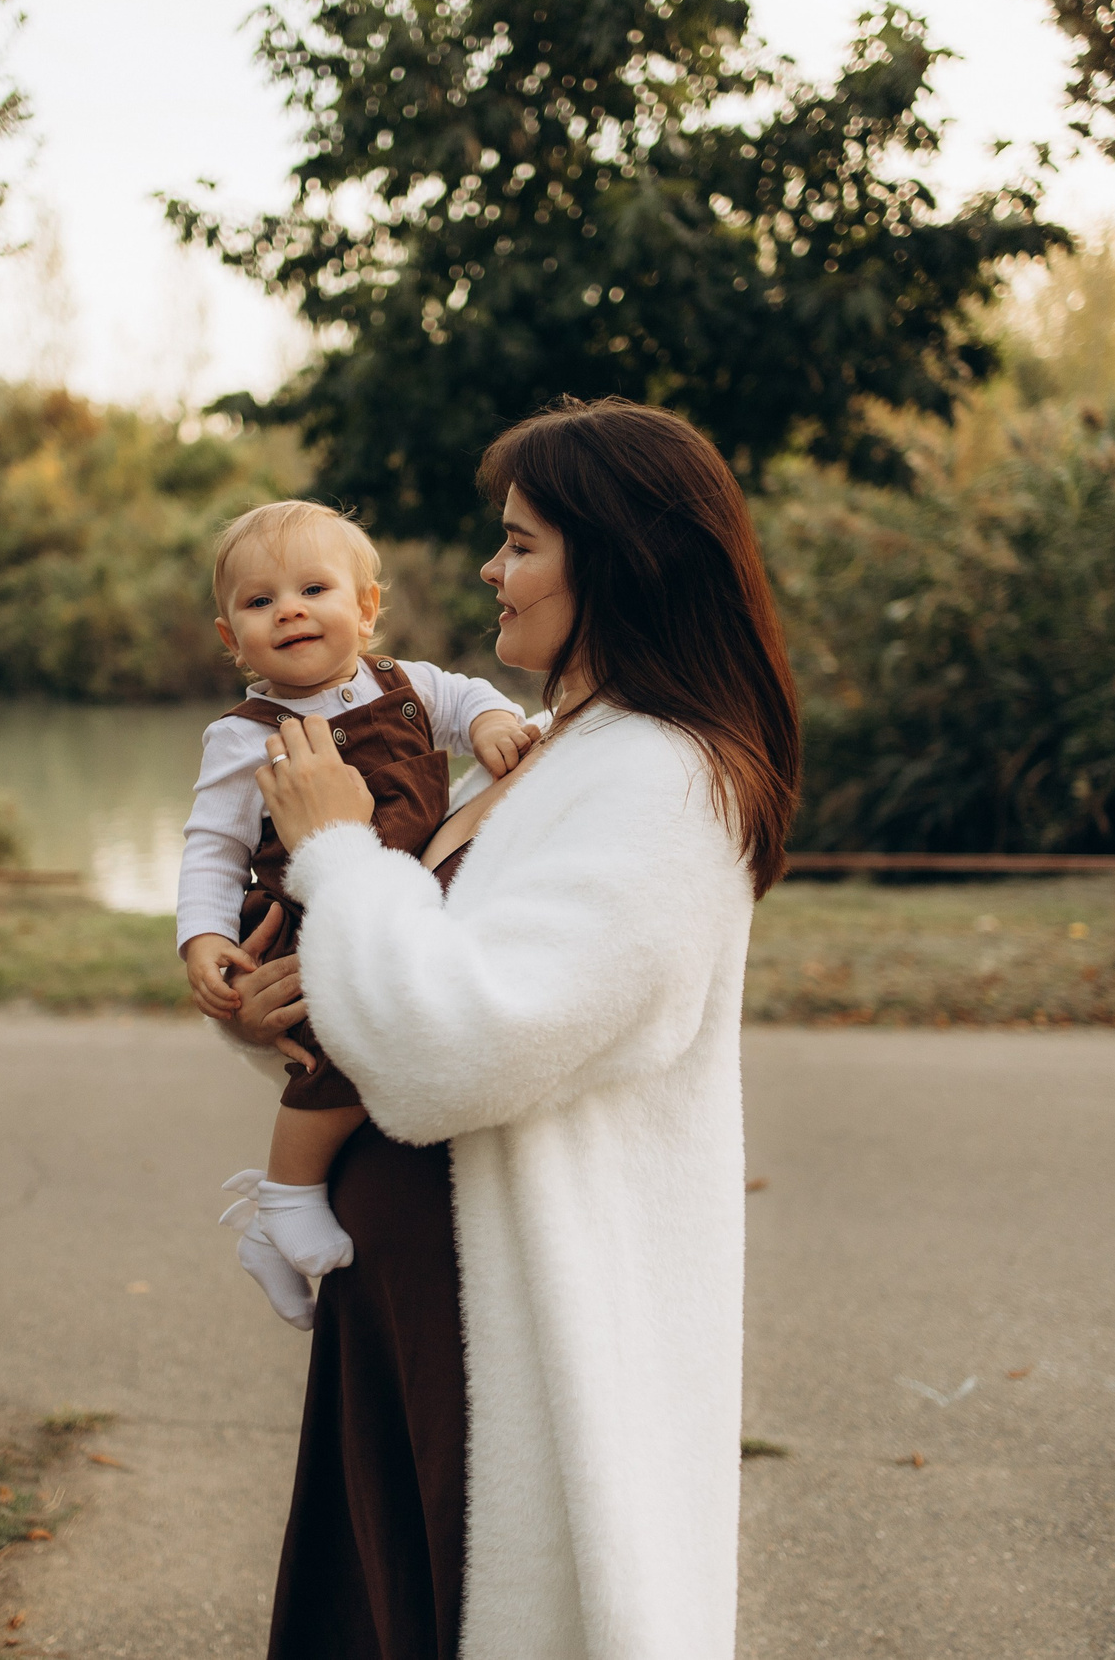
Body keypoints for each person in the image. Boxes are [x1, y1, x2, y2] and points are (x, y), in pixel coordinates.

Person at [224, 398, 800, 1659]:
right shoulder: (544, 756)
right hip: (414, 1308)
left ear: (619, 556)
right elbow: (416, 970)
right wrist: (268, 991)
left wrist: (331, 844)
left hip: (504, 1331)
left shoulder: (664, 778)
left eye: (522, 543)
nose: (492, 570)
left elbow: (459, 1047)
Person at [178, 500, 534, 1328]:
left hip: (391, 905)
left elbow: (475, 696)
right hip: (302, 910)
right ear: (232, 639)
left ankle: (281, 1210)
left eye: (313, 587)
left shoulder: (413, 685)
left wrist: (491, 723)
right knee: (335, 1053)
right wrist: (204, 937)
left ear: (366, 608)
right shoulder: (242, 736)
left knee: (379, 1040)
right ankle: (286, 1198)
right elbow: (209, 846)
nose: (290, 610)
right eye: (260, 602)